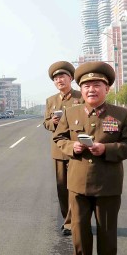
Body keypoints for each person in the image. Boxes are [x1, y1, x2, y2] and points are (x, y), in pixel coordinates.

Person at [55, 62, 127, 255]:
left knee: (107, 231)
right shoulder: (70, 113)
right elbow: (58, 139)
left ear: (107, 88)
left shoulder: (122, 114)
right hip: (77, 182)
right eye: (87, 85)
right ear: (81, 90)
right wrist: (72, 146)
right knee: (79, 230)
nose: (92, 89)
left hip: (108, 183)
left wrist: (107, 149)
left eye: (97, 85)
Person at [43, 61, 83, 236]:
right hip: (59, 150)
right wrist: (53, 122)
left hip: (77, 150)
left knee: (76, 187)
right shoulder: (51, 101)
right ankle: (68, 220)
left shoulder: (81, 97)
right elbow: (46, 123)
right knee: (61, 187)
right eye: (56, 78)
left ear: (71, 78)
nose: (59, 80)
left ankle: (74, 222)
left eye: (62, 77)